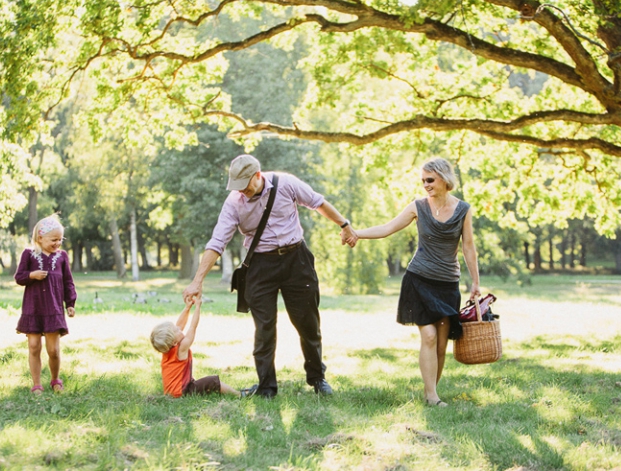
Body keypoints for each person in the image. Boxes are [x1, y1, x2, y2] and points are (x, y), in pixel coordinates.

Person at [182, 154, 356, 399]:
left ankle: (317, 378)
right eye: (236, 185)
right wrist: (197, 281)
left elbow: (318, 202)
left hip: (297, 260)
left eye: (245, 183)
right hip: (261, 265)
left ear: (257, 175)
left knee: (308, 323)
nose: (241, 190)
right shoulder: (234, 202)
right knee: (264, 329)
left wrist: (344, 225)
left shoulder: (286, 183)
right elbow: (217, 241)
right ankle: (266, 387)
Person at [347, 158, 480, 407]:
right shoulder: (418, 207)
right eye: (423, 181)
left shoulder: (463, 209)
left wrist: (476, 282)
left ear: (444, 179)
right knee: (428, 336)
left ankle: (432, 392)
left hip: (447, 284)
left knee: (441, 344)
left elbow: (469, 247)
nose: (425, 185)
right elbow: (388, 228)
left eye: (430, 180)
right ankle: (431, 397)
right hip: (419, 280)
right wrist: (356, 233)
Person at [14, 215, 77, 394]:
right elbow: (19, 277)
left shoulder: (62, 256)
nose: (57, 243)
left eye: (60, 239)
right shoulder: (29, 254)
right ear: (40, 238)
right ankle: (36, 384)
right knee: (34, 346)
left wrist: (70, 303)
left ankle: (55, 380)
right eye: (53, 239)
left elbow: (68, 282)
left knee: (53, 350)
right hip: (33, 309)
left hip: (54, 309)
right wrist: (31, 275)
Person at [151, 296, 250, 398]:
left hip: (174, 392)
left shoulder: (168, 348)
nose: (179, 328)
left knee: (203, 384)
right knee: (213, 381)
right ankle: (239, 395)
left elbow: (180, 324)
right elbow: (192, 327)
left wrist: (187, 308)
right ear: (174, 342)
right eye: (176, 330)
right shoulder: (182, 347)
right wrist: (197, 307)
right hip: (183, 392)